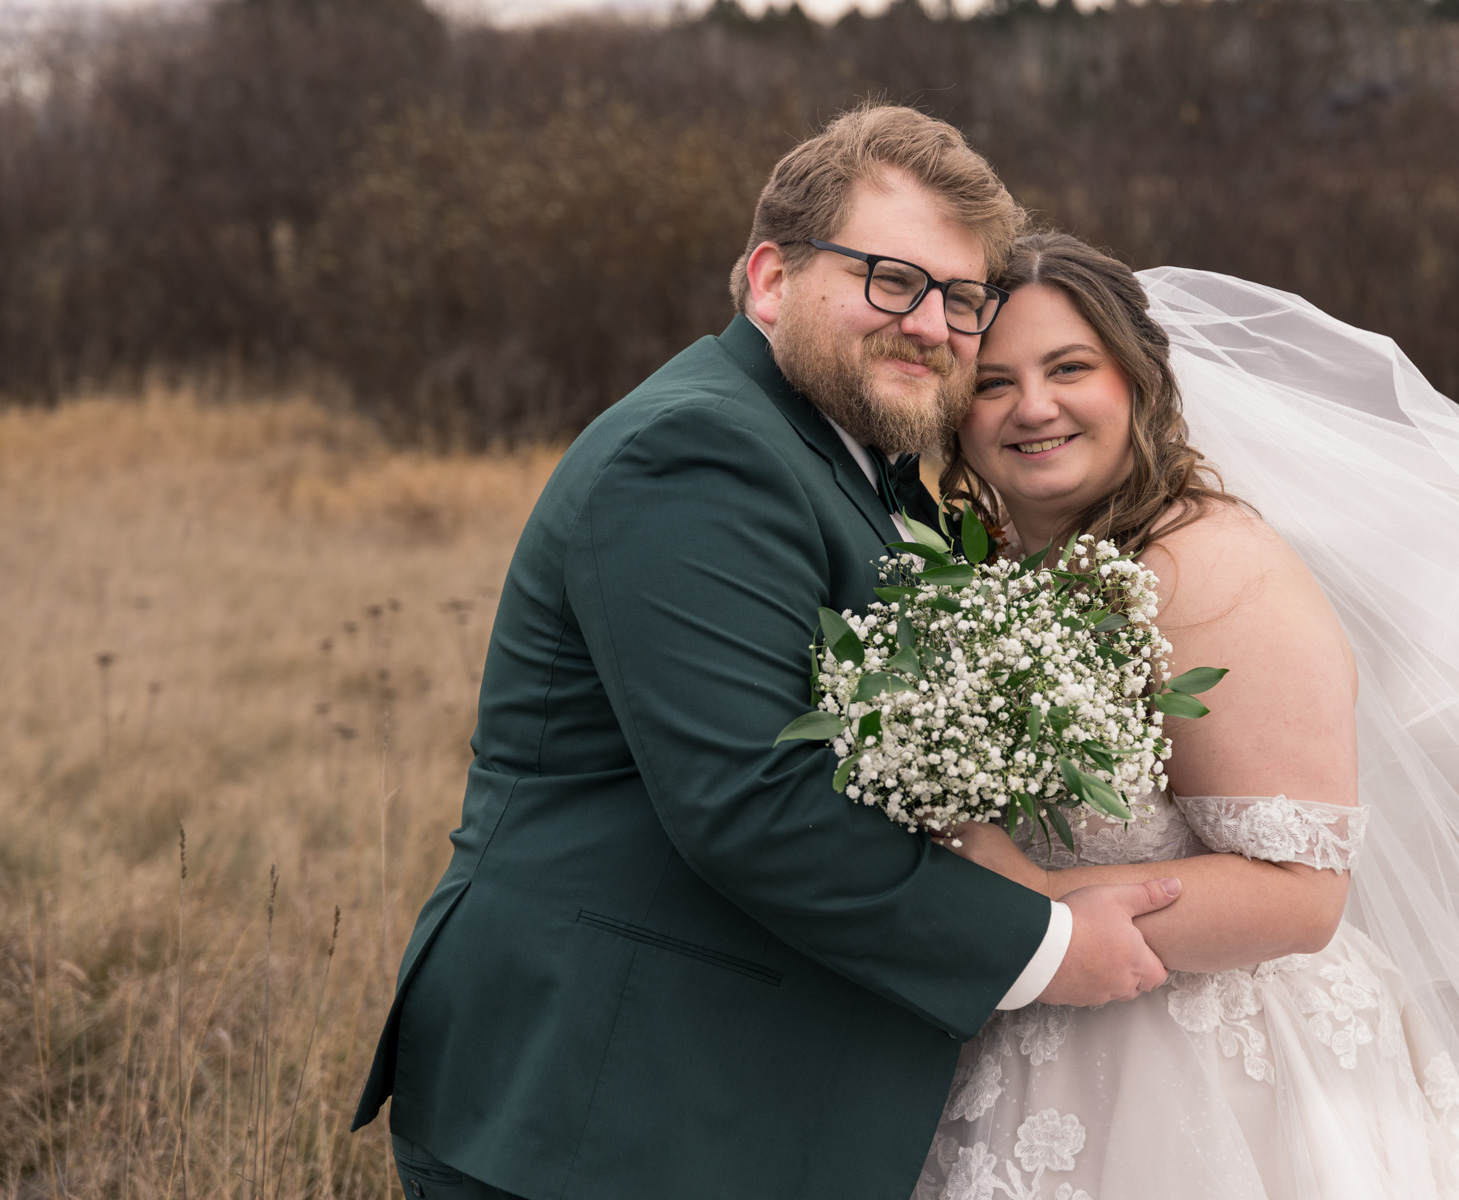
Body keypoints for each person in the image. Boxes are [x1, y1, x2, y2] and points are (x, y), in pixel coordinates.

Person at [351, 109, 1185, 1200]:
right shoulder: (696, 449)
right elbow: (752, 800)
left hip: (706, 1108)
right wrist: (1042, 947)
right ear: (770, 280)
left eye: (960, 297)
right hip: (600, 1109)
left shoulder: (852, 456)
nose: (929, 325)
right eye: (890, 279)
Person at [911, 231, 1459, 1199]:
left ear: (1136, 380)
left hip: (1216, 1088)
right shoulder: (992, 572)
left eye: (1068, 368)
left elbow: (1300, 897)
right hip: (1037, 1058)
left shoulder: (1205, 567)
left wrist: (1032, 898)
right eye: (993, 382)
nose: (1032, 406)